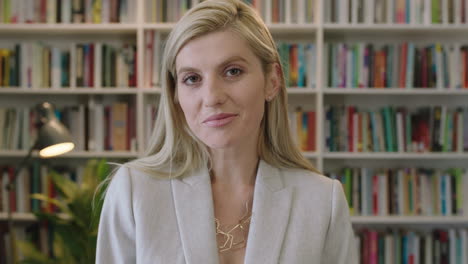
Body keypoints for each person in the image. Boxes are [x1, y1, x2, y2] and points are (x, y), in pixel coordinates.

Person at [96, 0, 357, 263]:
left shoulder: (323, 201)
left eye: (232, 71)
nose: (211, 97)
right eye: (192, 79)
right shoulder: (134, 192)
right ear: (175, 93)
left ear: (272, 81)